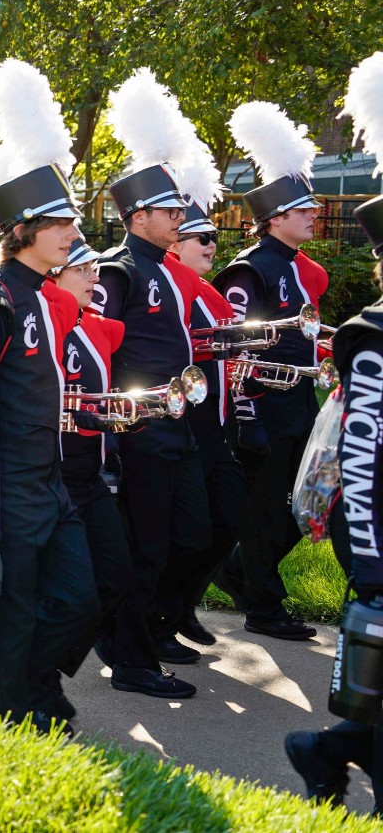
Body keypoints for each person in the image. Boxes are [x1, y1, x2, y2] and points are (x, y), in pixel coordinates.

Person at [0, 59, 100, 730]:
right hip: (6, 494)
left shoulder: (44, 295)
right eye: (61, 222)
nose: (73, 232)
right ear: (26, 229)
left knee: (82, 603)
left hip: (51, 485)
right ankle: (6, 718)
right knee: (18, 618)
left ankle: (20, 685)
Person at [92, 76, 207, 697]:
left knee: (190, 534)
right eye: (170, 211)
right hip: (139, 427)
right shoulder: (121, 269)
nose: (181, 219)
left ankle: (136, 631)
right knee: (145, 548)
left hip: (177, 421)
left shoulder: (165, 268)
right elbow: (99, 351)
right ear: (138, 216)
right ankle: (131, 660)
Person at [213, 100, 328, 642]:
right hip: (263, 408)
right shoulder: (251, 268)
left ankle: (241, 569)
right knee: (264, 510)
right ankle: (262, 604)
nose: (314, 216)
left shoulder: (296, 270)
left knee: (305, 505)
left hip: (298, 406)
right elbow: (237, 349)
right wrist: (247, 416)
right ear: (275, 218)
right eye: (302, 210)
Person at [284, 190, 383, 812]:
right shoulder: (371, 336)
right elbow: (364, 458)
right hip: (374, 523)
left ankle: (325, 751)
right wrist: (372, 571)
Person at [153, 174, 247, 653]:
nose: (214, 245)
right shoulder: (172, 285)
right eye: (203, 238)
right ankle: (164, 618)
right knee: (185, 530)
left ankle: (182, 605)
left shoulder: (203, 289)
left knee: (229, 517)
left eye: (214, 237)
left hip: (216, 426)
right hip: (187, 423)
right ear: (177, 246)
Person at [48, 238, 136, 718]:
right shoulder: (41, 323)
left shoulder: (94, 327)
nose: (96, 280)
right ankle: (30, 679)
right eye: (84, 270)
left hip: (90, 472)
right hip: (52, 476)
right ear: (56, 274)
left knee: (116, 576)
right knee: (70, 591)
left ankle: (40, 671)